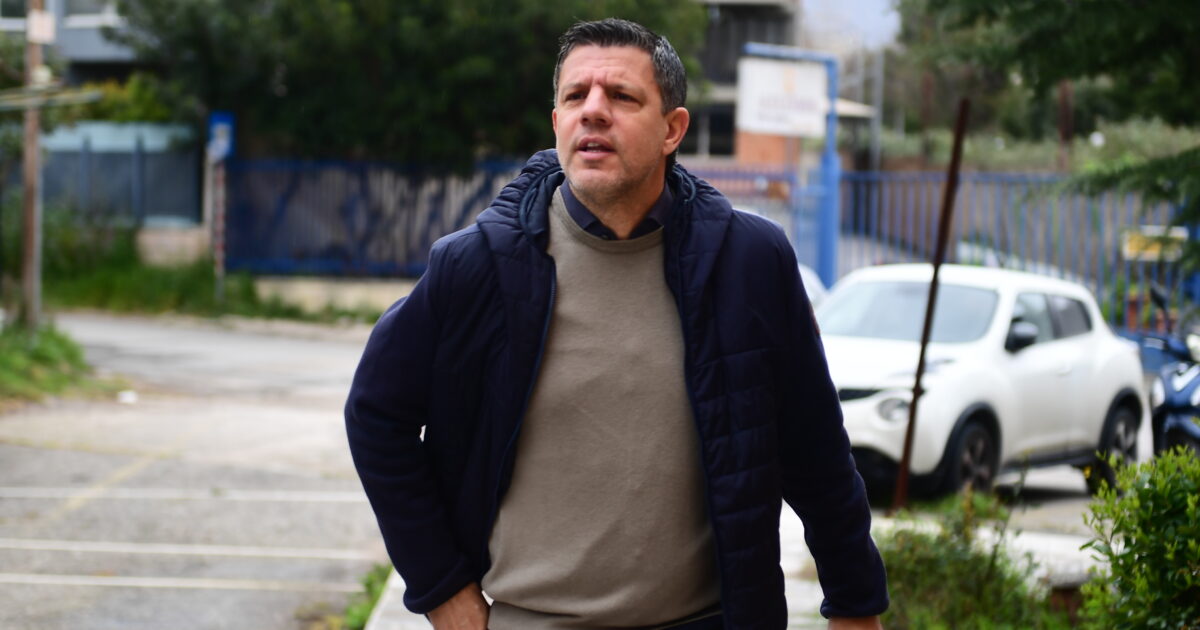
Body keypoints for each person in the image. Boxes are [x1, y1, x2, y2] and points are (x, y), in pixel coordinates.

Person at [345, 18, 888, 630]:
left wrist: (856, 604)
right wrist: (443, 590)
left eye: (622, 97)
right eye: (576, 96)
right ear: (557, 123)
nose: (594, 111)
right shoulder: (478, 266)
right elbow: (376, 415)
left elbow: (814, 446)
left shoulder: (749, 262)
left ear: (672, 130)